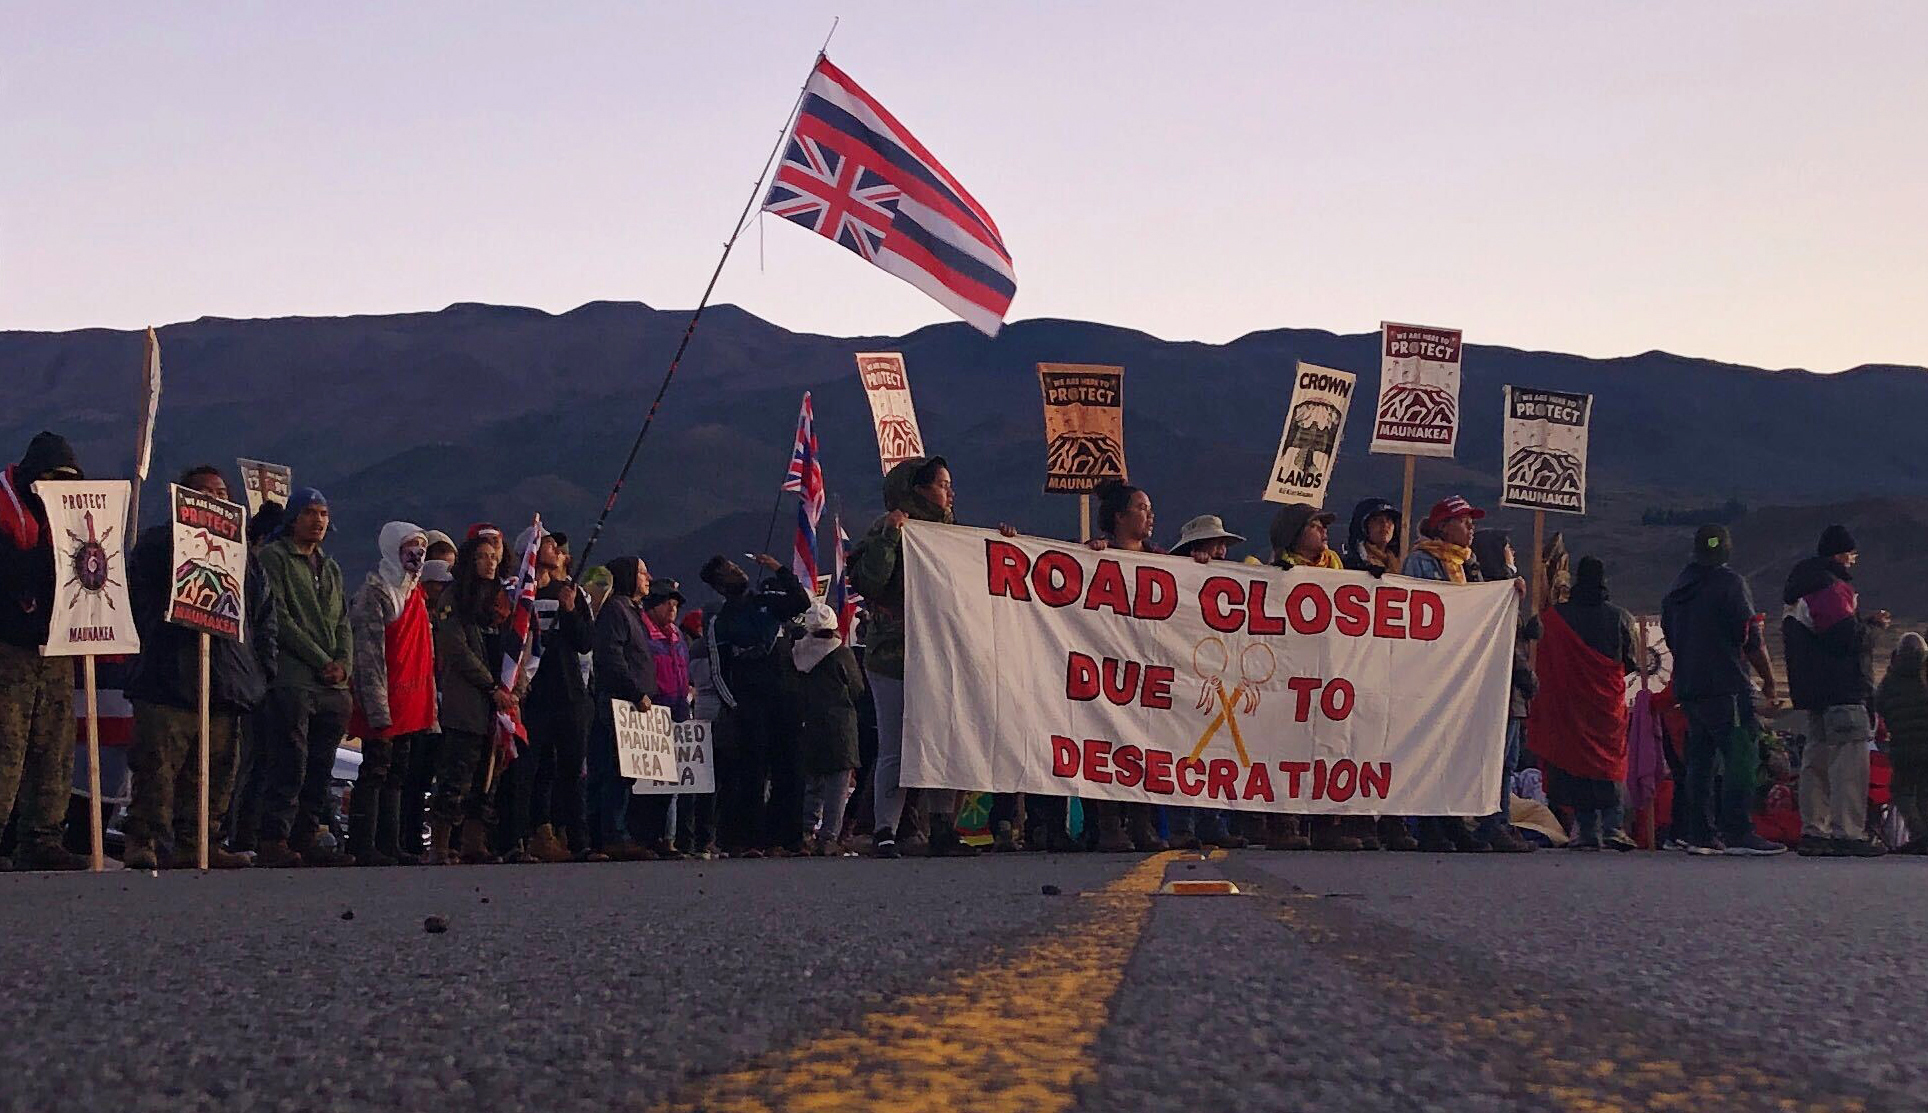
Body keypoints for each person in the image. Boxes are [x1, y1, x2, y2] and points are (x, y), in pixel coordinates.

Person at [124, 464, 278, 870]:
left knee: (213, 772)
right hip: (169, 678)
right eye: (206, 493)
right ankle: (147, 841)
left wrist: (262, 671)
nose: (217, 500)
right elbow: (141, 588)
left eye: (224, 493)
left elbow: (263, 616)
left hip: (227, 680)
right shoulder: (159, 544)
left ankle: (201, 841)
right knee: (158, 768)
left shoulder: (245, 556)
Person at [850, 457, 1002, 858]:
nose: (949, 493)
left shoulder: (955, 537)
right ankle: (886, 828)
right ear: (916, 490)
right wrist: (888, 538)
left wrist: (1005, 546)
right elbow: (870, 582)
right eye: (941, 484)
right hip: (894, 655)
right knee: (896, 745)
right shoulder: (887, 532)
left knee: (945, 738)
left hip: (944, 653)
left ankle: (942, 826)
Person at [1659, 525, 1786, 857]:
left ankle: (1698, 832)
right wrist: (1769, 681)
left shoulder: (1675, 591)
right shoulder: (1730, 585)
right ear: (1727, 550)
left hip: (1689, 687)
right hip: (1727, 686)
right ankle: (1738, 831)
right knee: (1741, 756)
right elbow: (1751, 639)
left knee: (1700, 762)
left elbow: (1672, 640)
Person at [252, 487, 356, 868]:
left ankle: (306, 834)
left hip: (332, 685)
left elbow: (343, 621)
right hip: (293, 677)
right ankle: (273, 837)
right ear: (293, 518)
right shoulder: (273, 558)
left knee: (321, 764)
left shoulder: (330, 567)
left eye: (324, 513)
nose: (318, 521)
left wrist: (343, 662)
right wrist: (320, 659)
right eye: (310, 513)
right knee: (288, 761)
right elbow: (277, 614)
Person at [0, 432, 90, 870]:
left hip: (57, 644)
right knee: (7, 744)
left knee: (55, 744)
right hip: (8, 646)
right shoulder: (5, 511)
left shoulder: (76, 517)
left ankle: (42, 837)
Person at [1783, 524, 1890, 857]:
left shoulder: (1802, 588)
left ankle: (1815, 829)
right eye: (1853, 555)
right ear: (1841, 555)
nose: (1854, 562)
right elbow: (1846, 640)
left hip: (1814, 693)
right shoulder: (1830, 588)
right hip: (1842, 691)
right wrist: (1873, 627)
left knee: (1815, 760)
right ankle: (1849, 831)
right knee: (1848, 763)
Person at [1073, 481, 1168, 853]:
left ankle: (1141, 822)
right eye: (1142, 508)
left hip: (1146, 669)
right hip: (1104, 667)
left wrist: (1200, 570)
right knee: (1104, 744)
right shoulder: (1093, 557)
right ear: (1119, 517)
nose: (1150, 516)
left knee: (1145, 744)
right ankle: (1107, 823)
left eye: (1149, 508)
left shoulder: (1162, 560)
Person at [701, 552, 811, 858]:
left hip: (786, 698)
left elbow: (801, 601)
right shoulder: (721, 621)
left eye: (735, 567)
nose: (737, 572)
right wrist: (735, 706)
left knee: (790, 769)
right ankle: (748, 839)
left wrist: (779, 568)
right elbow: (718, 668)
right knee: (752, 773)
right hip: (750, 704)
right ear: (720, 586)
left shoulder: (767, 601)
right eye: (728, 572)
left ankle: (789, 837)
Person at [1269, 503, 1362, 851]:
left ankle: (1328, 822)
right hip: (1292, 677)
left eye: (1324, 526)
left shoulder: (1341, 572)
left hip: (1332, 676)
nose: (1324, 531)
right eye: (1315, 526)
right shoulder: (1278, 574)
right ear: (1295, 534)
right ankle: (1284, 823)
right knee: (1288, 748)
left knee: (1332, 746)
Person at [1528, 557, 1639, 850]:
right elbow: (1631, 662)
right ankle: (1614, 826)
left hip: (1571, 705)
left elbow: (1544, 660)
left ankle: (1587, 829)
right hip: (1606, 707)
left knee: (1576, 761)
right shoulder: (1620, 617)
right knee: (1610, 762)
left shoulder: (1556, 618)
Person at [1403, 496, 1491, 852]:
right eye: (1463, 520)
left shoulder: (1470, 565)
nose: (1471, 527)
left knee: (1456, 746)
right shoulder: (1420, 562)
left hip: (1462, 669)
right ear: (1443, 527)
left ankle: (1452, 819)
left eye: (1472, 521)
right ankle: (1429, 822)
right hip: (1429, 667)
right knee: (1430, 744)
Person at [345, 521, 436, 867]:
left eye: (421, 548)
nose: (416, 555)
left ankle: (390, 841)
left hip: (410, 701)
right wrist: (376, 705)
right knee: (375, 770)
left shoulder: (414, 593)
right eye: (409, 547)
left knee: (398, 771)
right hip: (383, 698)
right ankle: (363, 842)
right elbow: (368, 655)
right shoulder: (375, 593)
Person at [424, 537, 516, 865]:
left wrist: (514, 688)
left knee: (487, 776)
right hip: (467, 698)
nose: (490, 563)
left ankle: (474, 842)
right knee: (456, 774)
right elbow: (455, 646)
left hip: (500, 700)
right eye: (482, 557)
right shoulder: (456, 597)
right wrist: (490, 685)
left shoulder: (504, 602)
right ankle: (440, 843)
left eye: (494, 557)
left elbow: (518, 647)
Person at [1163, 515, 1249, 851]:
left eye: (1223, 545)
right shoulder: (1175, 575)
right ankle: (1182, 824)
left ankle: (1212, 821)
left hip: (1215, 673)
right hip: (1181, 672)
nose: (1223, 551)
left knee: (1212, 749)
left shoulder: (1230, 580)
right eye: (1216, 544)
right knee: (1183, 749)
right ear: (1196, 548)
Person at [509, 527, 595, 864]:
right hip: (532, 695)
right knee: (528, 770)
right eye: (546, 543)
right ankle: (519, 838)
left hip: (571, 694)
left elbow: (585, 641)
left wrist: (571, 611)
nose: (554, 548)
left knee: (572, 770)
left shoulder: (570, 592)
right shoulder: (516, 593)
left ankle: (577, 840)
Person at [1338, 498, 1419, 851]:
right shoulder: (1348, 563)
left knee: (1394, 744)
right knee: (1360, 743)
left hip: (1395, 667)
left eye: (1390, 522)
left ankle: (1392, 818)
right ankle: (1358, 818)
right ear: (1363, 526)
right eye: (1378, 522)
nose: (1386, 528)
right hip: (1357, 666)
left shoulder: (1403, 568)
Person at [1468, 528, 1539, 854]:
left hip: (1512, 695)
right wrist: (1528, 677)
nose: (1513, 552)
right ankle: (1492, 822)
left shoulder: (1508, 590)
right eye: (1507, 547)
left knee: (1507, 762)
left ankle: (1501, 820)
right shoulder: (1494, 593)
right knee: (1500, 763)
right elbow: (1506, 645)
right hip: (1505, 692)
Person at [587, 555, 658, 860]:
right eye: (642, 573)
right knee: (615, 770)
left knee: (621, 771)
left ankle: (613, 834)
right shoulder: (617, 610)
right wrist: (635, 690)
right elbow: (611, 656)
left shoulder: (631, 611)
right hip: (619, 702)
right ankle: (613, 835)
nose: (648, 578)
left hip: (627, 702)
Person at [794, 603, 865, 856]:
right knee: (838, 783)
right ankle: (829, 837)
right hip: (840, 724)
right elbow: (857, 688)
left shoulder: (798, 653)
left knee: (812, 780)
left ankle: (806, 832)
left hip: (809, 722)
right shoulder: (841, 654)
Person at [629, 577, 691, 860]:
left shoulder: (676, 636)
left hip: (675, 711)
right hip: (650, 713)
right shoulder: (642, 632)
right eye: (668, 602)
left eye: (676, 603)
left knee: (670, 782)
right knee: (645, 781)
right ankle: (644, 836)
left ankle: (665, 837)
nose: (673, 607)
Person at [397, 557, 453, 856]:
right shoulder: (416, 614)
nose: (442, 591)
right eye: (437, 585)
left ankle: (418, 836)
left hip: (441, 705)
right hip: (418, 702)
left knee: (432, 776)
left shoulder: (447, 619)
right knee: (413, 777)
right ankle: (408, 837)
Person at [1875, 633, 1928, 855]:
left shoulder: (1890, 680)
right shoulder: (1924, 677)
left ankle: (1919, 833)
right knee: (1925, 792)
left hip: (1902, 749)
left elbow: (1880, 708)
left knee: (1902, 791)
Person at [679, 607, 720, 857]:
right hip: (715, 711)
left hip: (698, 710)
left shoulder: (692, 649)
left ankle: (689, 837)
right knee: (713, 780)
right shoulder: (714, 648)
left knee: (696, 779)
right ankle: (707, 836)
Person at [1341, 498, 1403, 577]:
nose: (1385, 524)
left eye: (1389, 519)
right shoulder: (1348, 564)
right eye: (1376, 519)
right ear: (1363, 527)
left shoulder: (1402, 564)